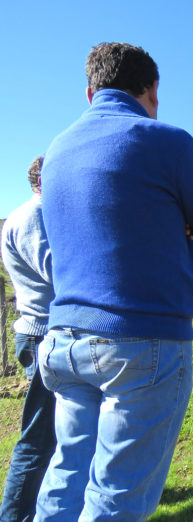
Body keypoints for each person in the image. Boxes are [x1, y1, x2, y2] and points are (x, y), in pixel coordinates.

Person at [36, 42, 193, 520]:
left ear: (90, 92)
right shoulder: (169, 142)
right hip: (139, 344)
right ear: (153, 90)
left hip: (62, 342)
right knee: (116, 498)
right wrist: (176, 228)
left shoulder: (56, 151)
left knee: (66, 479)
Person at [0, 156, 56, 522]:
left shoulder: (26, 215)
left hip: (39, 333)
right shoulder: (35, 216)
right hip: (43, 335)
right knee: (38, 438)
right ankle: (16, 516)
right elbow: (56, 270)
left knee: (54, 430)